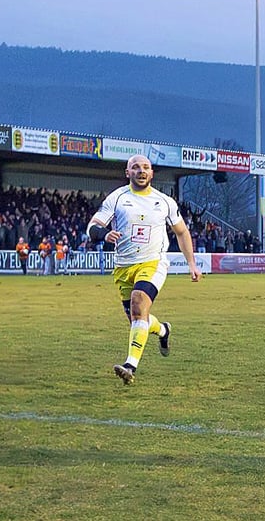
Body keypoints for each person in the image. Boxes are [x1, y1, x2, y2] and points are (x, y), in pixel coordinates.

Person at [87, 154, 201, 385]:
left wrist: (191, 263)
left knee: (139, 304)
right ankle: (163, 330)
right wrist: (103, 233)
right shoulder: (117, 198)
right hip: (123, 267)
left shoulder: (165, 201)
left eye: (146, 167)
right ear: (127, 172)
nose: (141, 171)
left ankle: (130, 366)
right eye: (136, 167)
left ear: (152, 173)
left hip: (153, 262)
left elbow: (182, 232)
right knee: (138, 320)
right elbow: (92, 226)